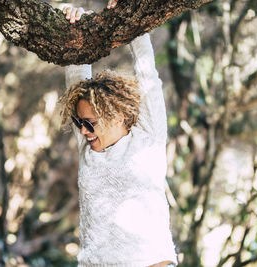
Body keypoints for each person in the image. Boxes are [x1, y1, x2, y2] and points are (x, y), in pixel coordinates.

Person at [59, 3, 178, 267]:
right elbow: (77, 76)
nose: (82, 131)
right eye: (79, 122)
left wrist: (130, 12)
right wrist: (78, 27)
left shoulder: (148, 136)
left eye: (89, 123)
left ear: (115, 115)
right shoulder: (89, 148)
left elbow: (148, 75)